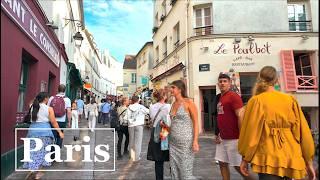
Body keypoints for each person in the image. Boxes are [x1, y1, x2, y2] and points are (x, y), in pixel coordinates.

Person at [238, 66, 316, 180]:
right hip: (291, 156)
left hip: (267, 157)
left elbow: (251, 134)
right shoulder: (290, 100)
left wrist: (245, 158)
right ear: (277, 80)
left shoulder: (256, 101)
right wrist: (308, 162)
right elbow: (303, 133)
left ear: (260, 79)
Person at [214, 73, 253, 180]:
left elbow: (241, 116)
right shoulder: (221, 97)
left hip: (235, 138)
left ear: (230, 83)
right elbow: (221, 117)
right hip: (223, 138)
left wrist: (242, 137)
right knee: (222, 163)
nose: (222, 83)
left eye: (225, 81)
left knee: (239, 167)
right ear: (218, 83)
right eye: (220, 81)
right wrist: (218, 134)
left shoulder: (233, 96)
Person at [23, 92, 64, 179]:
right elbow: (54, 122)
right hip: (44, 133)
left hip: (32, 132)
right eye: (48, 98)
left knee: (32, 153)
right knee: (42, 154)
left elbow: (31, 102)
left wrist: (36, 99)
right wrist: (60, 132)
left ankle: (32, 171)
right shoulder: (49, 109)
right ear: (45, 99)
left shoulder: (32, 106)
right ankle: (36, 175)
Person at [168, 80, 199, 179]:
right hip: (173, 143)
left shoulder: (189, 102)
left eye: (173, 87)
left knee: (185, 171)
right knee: (174, 171)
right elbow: (173, 122)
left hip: (186, 143)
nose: (171, 89)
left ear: (180, 89)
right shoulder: (173, 103)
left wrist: (195, 141)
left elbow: (196, 123)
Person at [147, 89, 171, 180]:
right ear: (164, 96)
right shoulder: (168, 106)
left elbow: (152, 118)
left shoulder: (152, 107)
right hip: (166, 132)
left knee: (158, 159)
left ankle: (159, 178)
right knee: (171, 157)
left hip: (155, 133)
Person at [48, 84, 71, 149]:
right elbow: (69, 112)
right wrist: (69, 122)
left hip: (52, 121)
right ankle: (57, 153)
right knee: (60, 136)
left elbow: (48, 109)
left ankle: (52, 154)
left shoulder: (51, 98)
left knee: (53, 136)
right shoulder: (67, 99)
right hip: (62, 121)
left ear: (57, 89)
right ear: (65, 90)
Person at [127, 95, 149, 162]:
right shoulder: (141, 107)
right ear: (138, 100)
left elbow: (127, 117)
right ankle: (136, 157)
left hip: (131, 125)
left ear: (132, 100)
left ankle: (132, 156)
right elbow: (148, 111)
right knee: (138, 142)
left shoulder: (129, 107)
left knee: (131, 141)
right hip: (139, 125)